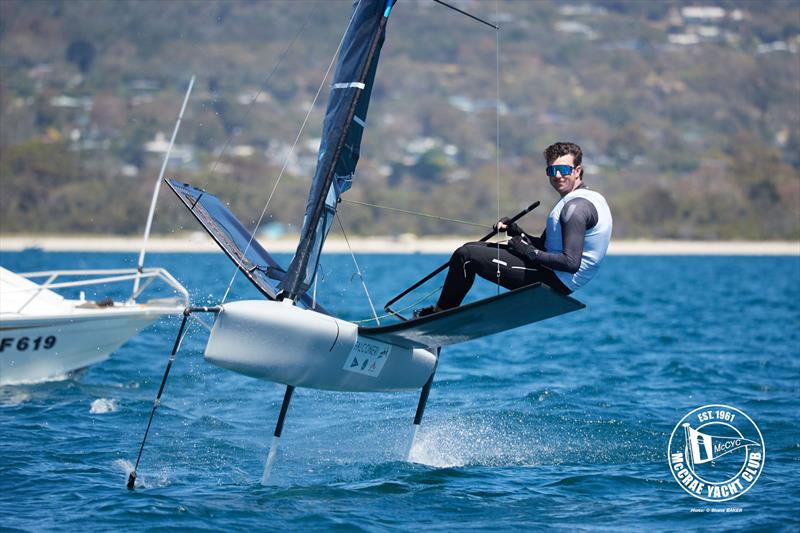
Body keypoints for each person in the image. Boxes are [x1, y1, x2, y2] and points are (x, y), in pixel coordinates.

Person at [415, 141, 612, 317]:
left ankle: (439, 315)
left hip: (556, 279)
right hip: (553, 272)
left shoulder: (575, 208)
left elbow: (570, 263)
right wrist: (517, 232)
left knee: (466, 255)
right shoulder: (586, 199)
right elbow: (547, 247)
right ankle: (442, 313)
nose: (557, 176)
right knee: (471, 248)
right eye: (552, 171)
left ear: (577, 170)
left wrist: (529, 252)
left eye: (564, 170)